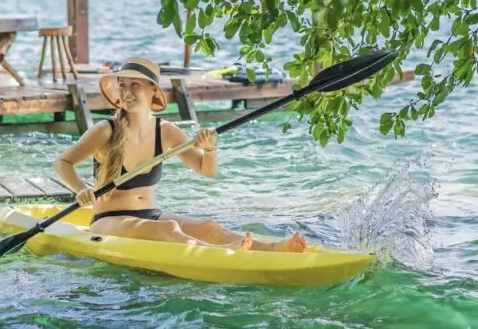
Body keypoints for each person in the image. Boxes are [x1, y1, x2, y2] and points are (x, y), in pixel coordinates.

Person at [54, 57, 307, 252]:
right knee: (169, 230)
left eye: (135, 85)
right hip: (109, 220)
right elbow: (63, 163)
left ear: (153, 90)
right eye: (122, 86)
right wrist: (80, 188)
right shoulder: (104, 130)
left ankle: (275, 248)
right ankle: (219, 254)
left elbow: (207, 170)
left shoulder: (166, 132)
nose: (126, 91)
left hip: (151, 215)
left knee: (210, 227)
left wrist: (209, 148)